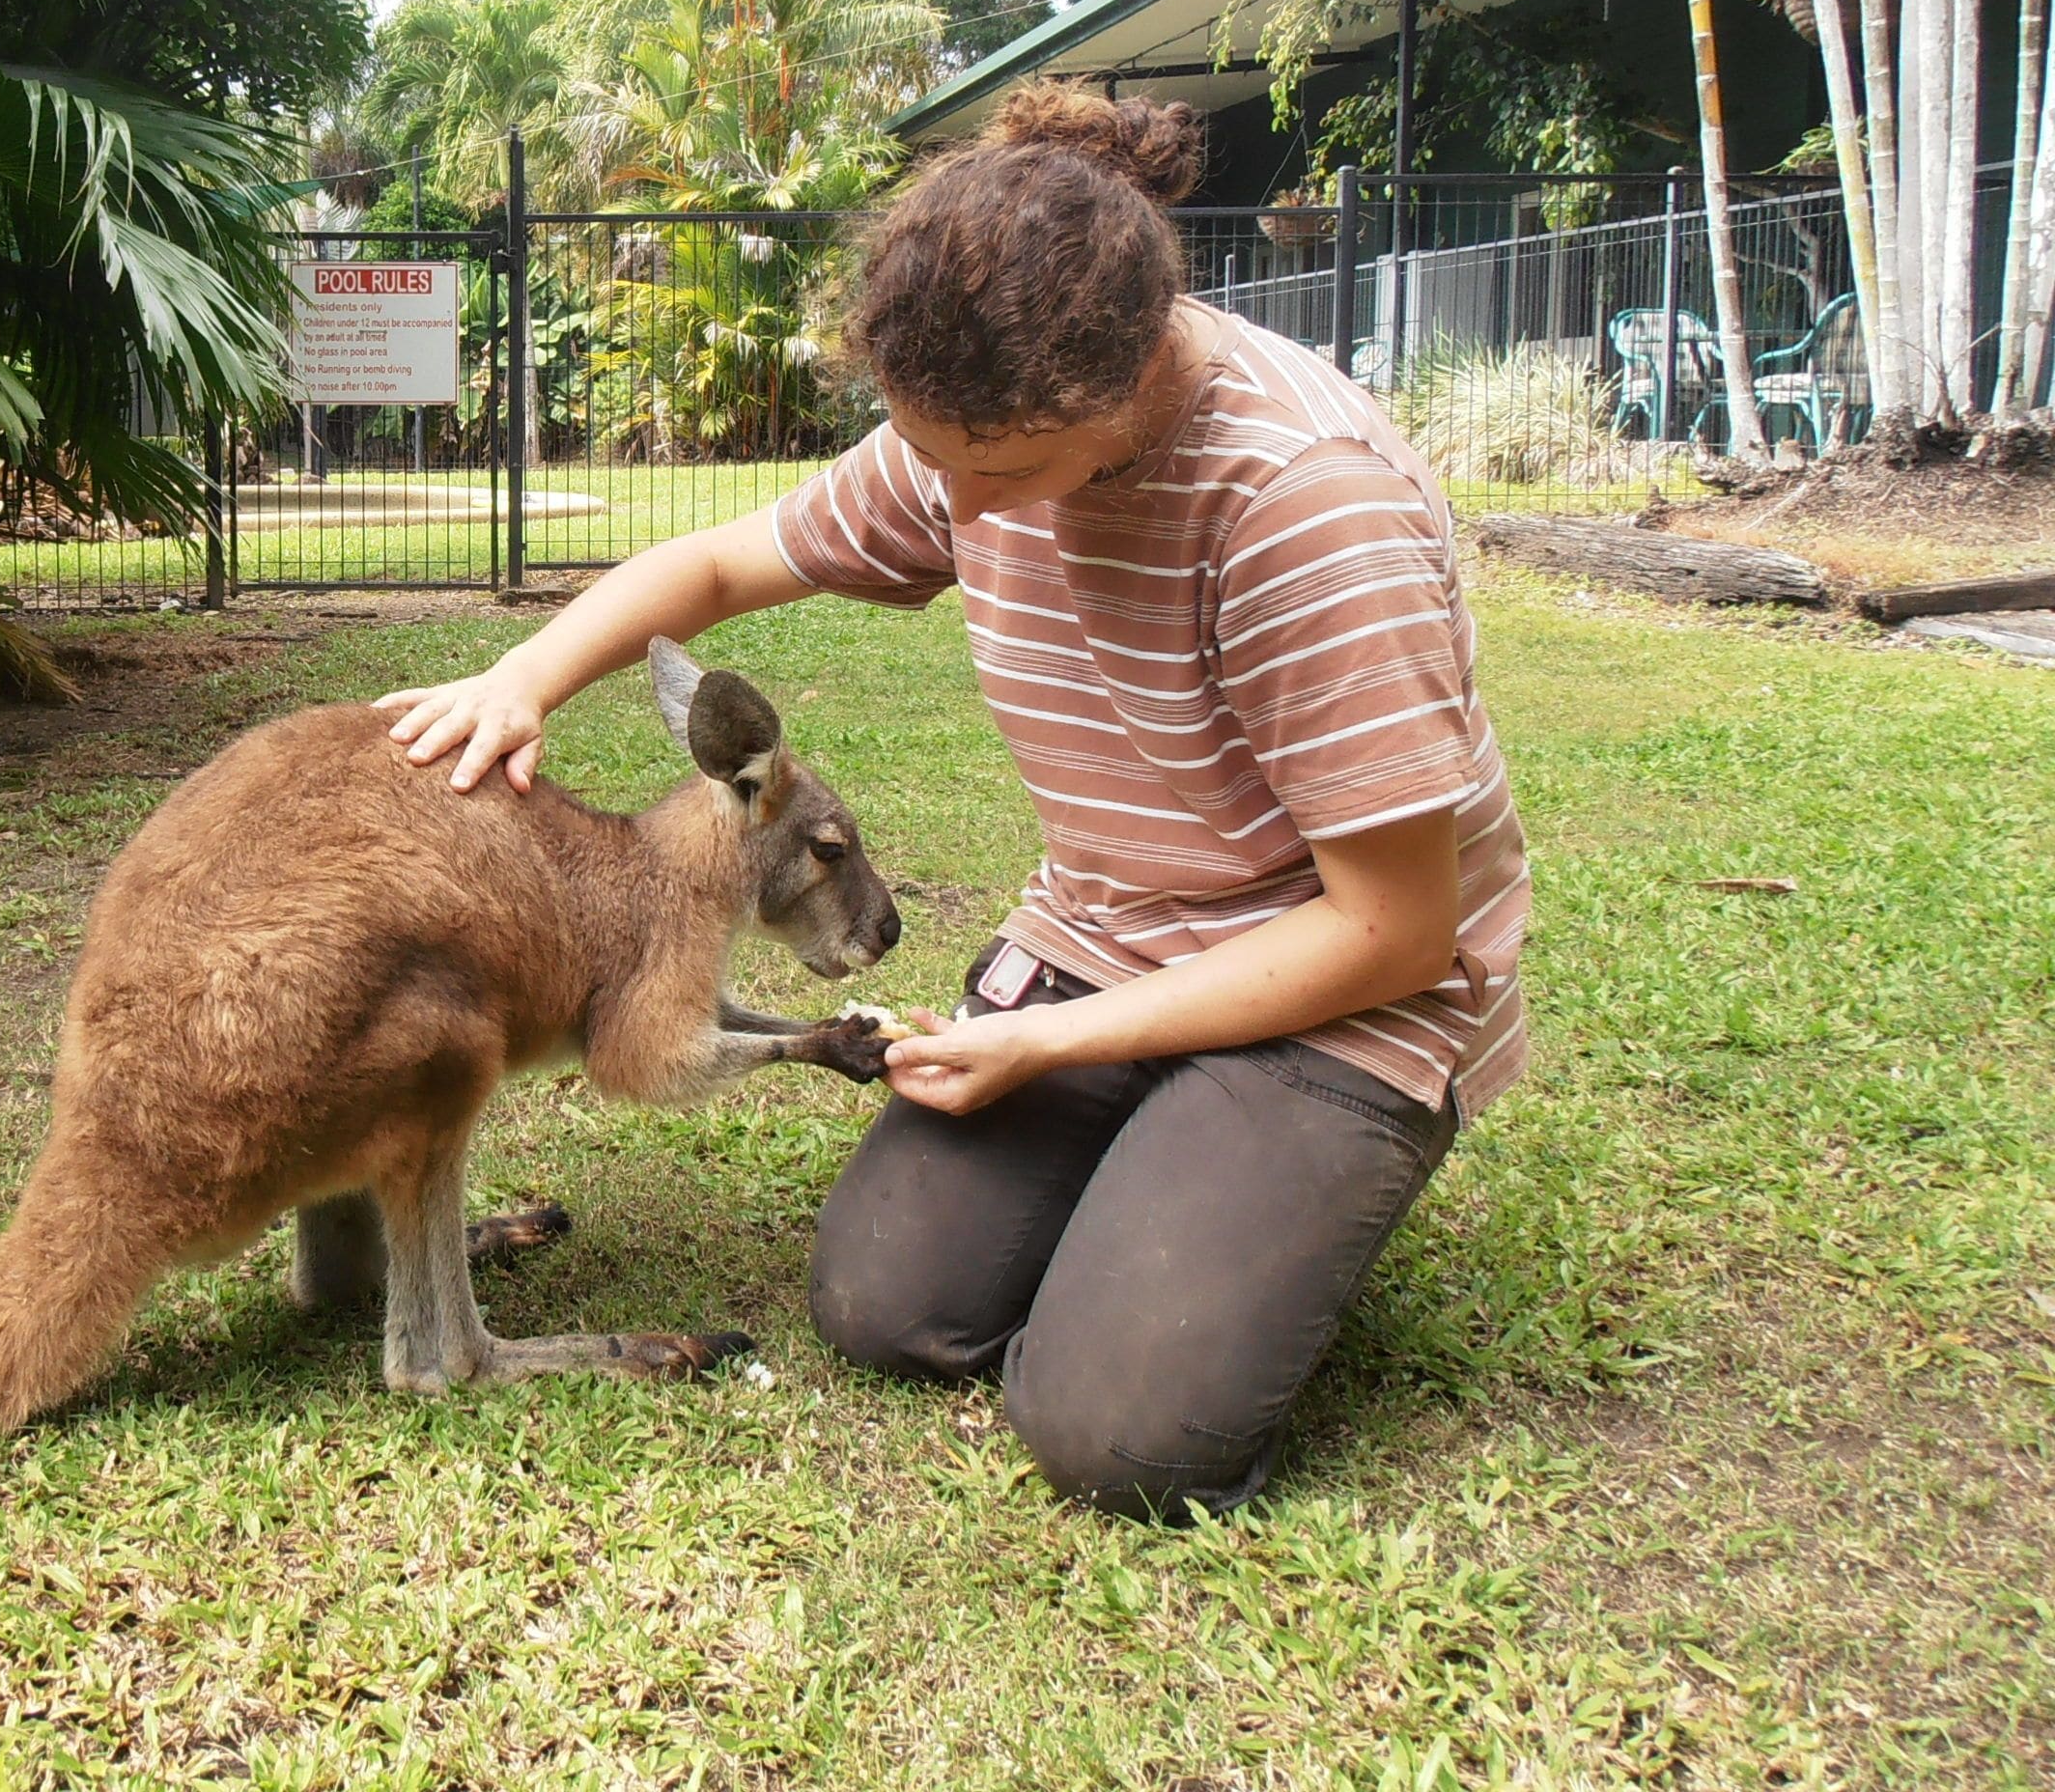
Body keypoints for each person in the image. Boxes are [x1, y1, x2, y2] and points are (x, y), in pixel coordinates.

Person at [374, 85, 1528, 1522]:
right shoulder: (976, 433)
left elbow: (1398, 931)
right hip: (1117, 932)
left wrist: (1048, 1041)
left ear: (1118, 394)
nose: (959, 522)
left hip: (1337, 988)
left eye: (1000, 477)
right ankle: (1169, 1161)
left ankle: (1263, 1178)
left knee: (1118, 1437)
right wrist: (523, 679)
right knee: (883, 1304)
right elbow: (719, 571)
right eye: (930, 465)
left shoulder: (1301, 502)